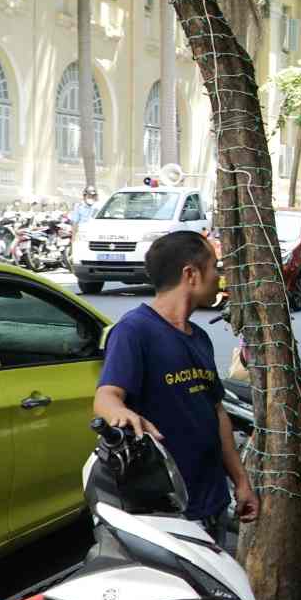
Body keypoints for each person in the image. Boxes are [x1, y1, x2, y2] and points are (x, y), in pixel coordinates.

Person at [93, 231, 258, 541]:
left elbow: (216, 411)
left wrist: (241, 481)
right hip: (167, 513)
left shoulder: (200, 338)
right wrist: (120, 413)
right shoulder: (134, 331)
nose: (219, 277)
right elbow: (106, 395)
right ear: (191, 274)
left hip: (212, 502)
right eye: (214, 267)